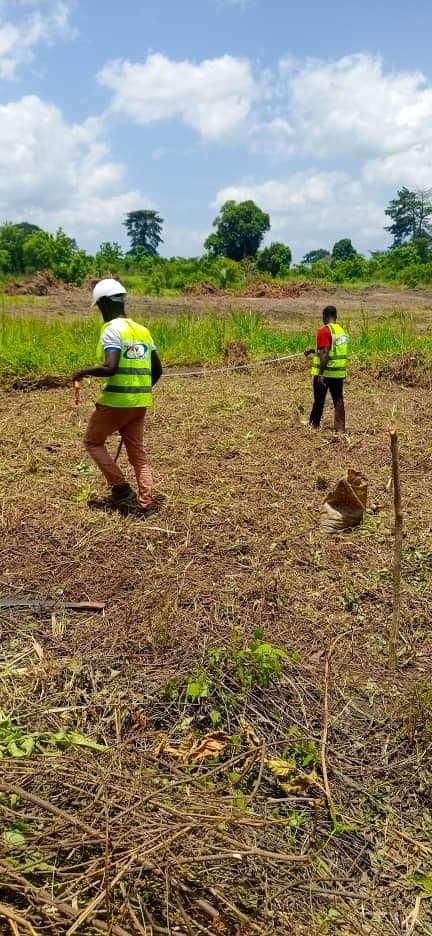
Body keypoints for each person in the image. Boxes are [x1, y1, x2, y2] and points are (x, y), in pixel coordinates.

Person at [72, 278, 162, 516]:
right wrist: (139, 390)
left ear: (104, 303)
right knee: (138, 455)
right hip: (140, 403)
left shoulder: (112, 330)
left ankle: (121, 489)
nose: (100, 312)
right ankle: (146, 505)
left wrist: (83, 372)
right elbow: (158, 370)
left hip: (114, 404)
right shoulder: (143, 331)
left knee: (93, 442)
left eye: (100, 307)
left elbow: (110, 367)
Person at [304, 305, 348, 432]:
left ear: (325, 316)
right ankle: (340, 429)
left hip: (326, 372)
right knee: (338, 399)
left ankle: (313, 425)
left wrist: (320, 374)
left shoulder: (324, 330)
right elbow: (331, 349)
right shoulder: (341, 331)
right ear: (335, 316)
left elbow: (325, 352)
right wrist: (313, 350)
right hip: (338, 372)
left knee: (319, 400)